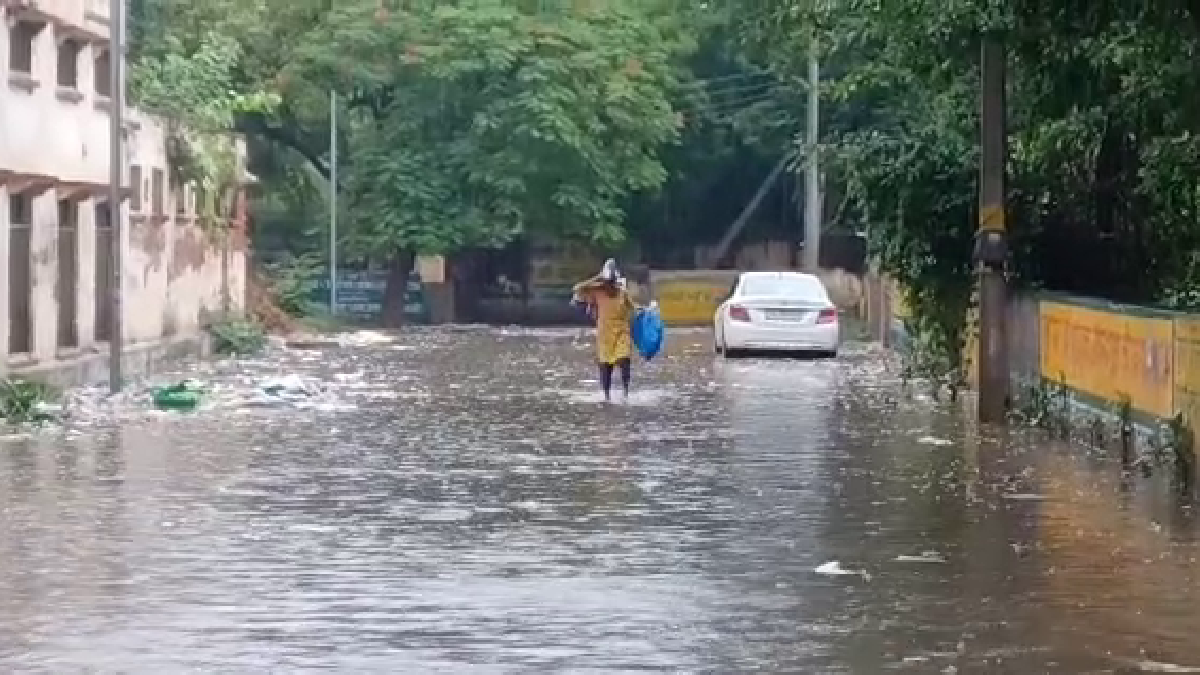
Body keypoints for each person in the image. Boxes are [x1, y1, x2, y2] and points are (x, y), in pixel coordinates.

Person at [572, 259, 638, 403]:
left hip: (622, 332)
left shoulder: (623, 293)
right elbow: (577, 288)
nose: (610, 286)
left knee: (624, 359)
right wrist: (597, 277)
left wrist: (643, 315)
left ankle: (625, 393)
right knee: (605, 366)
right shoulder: (597, 292)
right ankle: (606, 396)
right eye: (607, 282)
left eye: (612, 282)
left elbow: (633, 309)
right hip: (605, 335)